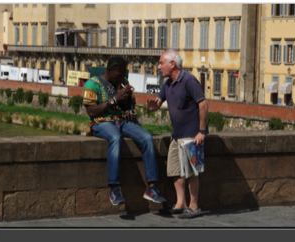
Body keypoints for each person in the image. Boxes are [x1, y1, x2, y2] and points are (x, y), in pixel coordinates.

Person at [83, 56, 166, 206]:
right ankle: (114, 189)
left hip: (122, 121)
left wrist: (126, 100)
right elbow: (91, 112)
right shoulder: (92, 84)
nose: (120, 79)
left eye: (123, 75)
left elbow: (129, 110)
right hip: (101, 122)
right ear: (108, 71)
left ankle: (151, 187)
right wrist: (114, 100)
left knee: (146, 138)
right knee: (115, 138)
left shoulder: (123, 84)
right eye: (118, 75)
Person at [147, 49, 209, 218]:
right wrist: (153, 106)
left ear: (172, 64)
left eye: (161, 63)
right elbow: (158, 102)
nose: (159, 67)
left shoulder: (189, 81)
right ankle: (180, 204)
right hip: (176, 135)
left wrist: (201, 132)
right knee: (175, 170)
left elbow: (203, 105)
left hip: (192, 135)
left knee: (191, 171)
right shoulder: (167, 84)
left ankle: (194, 206)